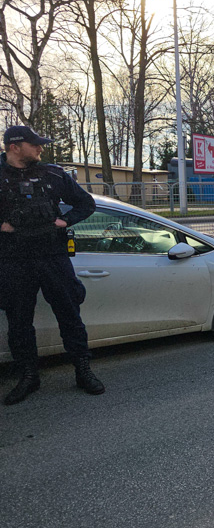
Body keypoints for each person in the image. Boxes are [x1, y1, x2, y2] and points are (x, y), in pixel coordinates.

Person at [0, 126, 103, 405]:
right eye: (35, 144)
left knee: (69, 314)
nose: (40, 149)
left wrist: (65, 221)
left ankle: (83, 371)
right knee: (19, 321)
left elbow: (86, 204)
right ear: (14, 147)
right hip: (13, 259)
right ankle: (29, 376)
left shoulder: (53, 174)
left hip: (52, 256)